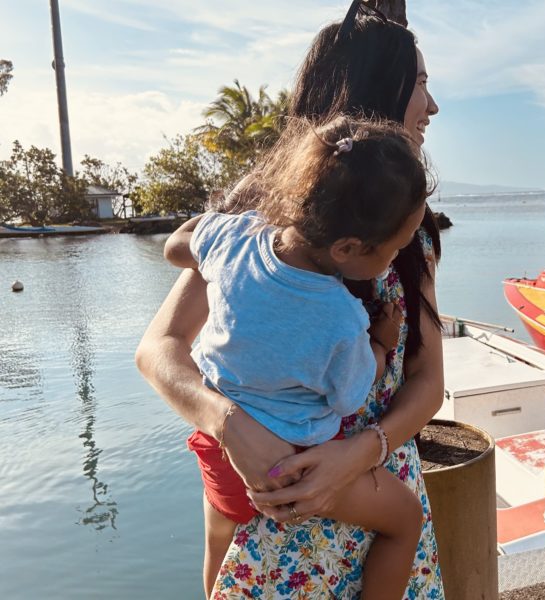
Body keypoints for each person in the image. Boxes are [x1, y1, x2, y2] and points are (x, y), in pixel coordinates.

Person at [136, 2, 444, 598]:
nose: (431, 106)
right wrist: (229, 425)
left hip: (375, 492)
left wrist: (358, 455)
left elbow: (427, 380)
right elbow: (159, 348)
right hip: (271, 507)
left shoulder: (409, 225)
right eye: (422, 84)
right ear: (379, 85)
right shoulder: (266, 215)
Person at [164, 116, 429, 599]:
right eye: (393, 250)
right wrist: (381, 342)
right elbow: (349, 397)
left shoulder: (236, 236)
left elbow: (176, 247)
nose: (394, 260)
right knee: (404, 520)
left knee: (220, 538)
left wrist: (218, 241)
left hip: (219, 449)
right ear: (348, 247)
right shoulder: (342, 318)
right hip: (293, 464)